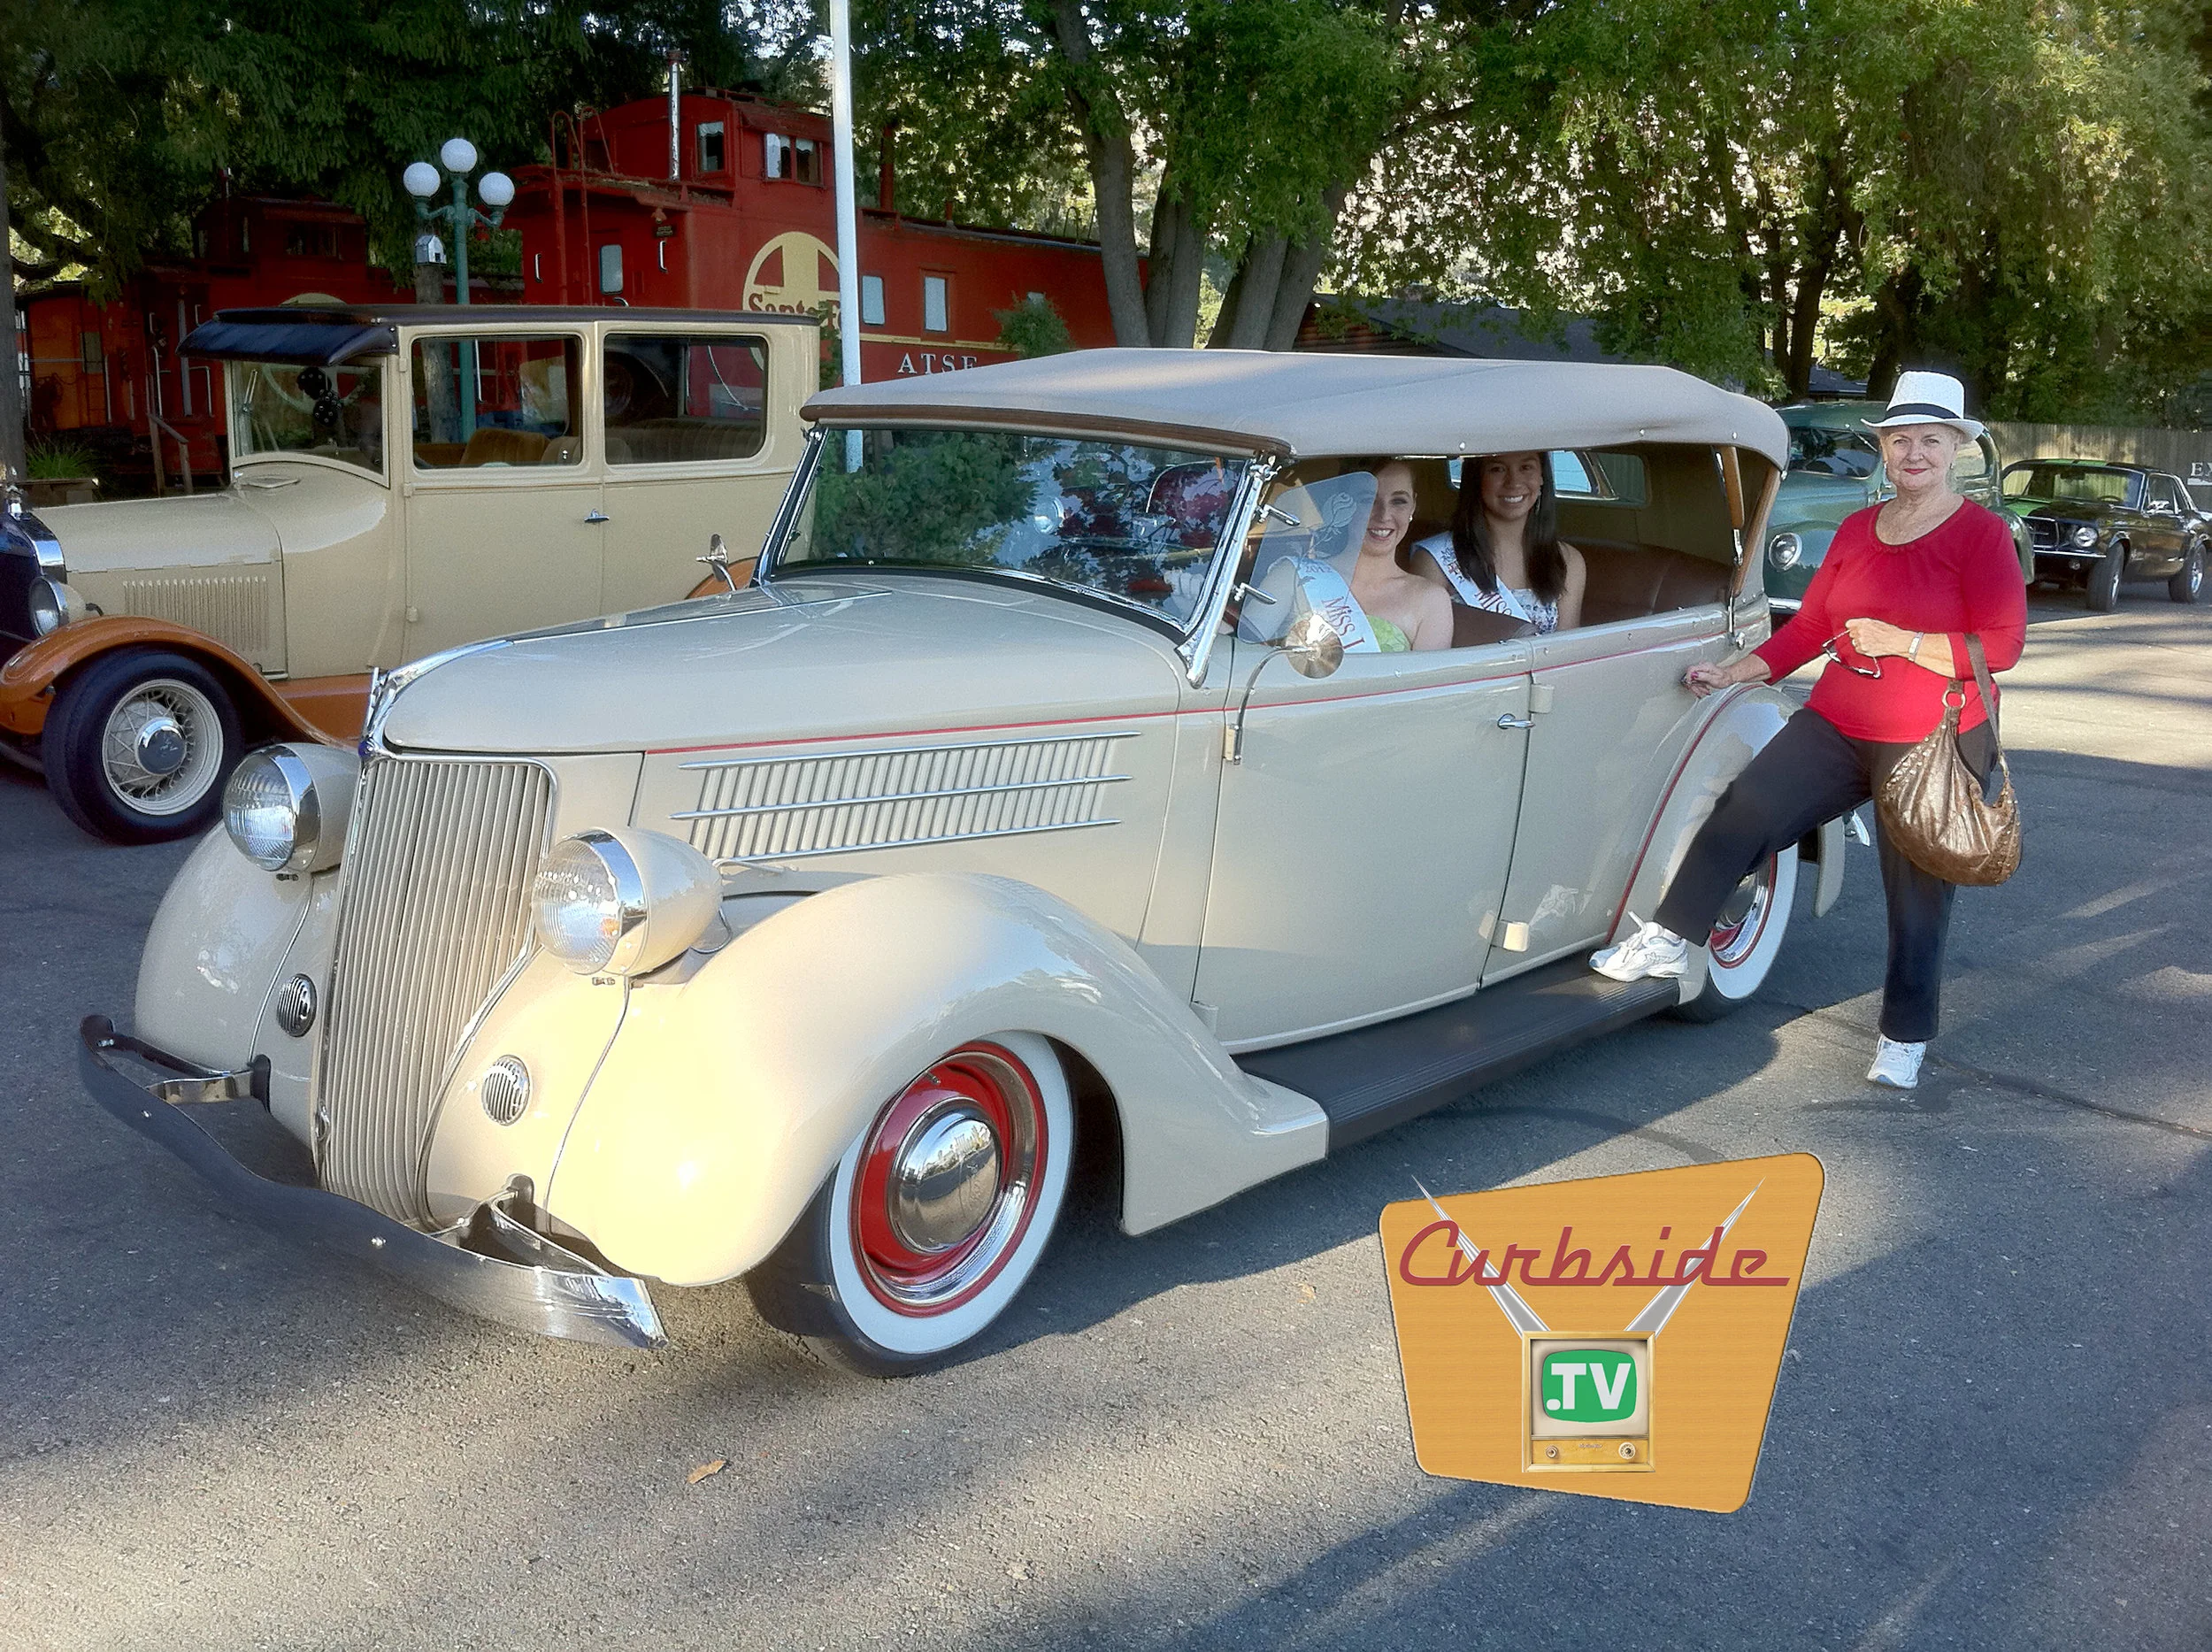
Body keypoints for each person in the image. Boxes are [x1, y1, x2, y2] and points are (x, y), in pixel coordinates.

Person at [1590, 371, 2027, 1090]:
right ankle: (1671, 937)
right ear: (1883, 449)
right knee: (1747, 808)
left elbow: (2003, 645)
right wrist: (1742, 670)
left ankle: (1904, 1036)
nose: (1913, 452)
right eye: (1899, 440)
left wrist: (1900, 640)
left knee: (1916, 896)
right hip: (1838, 720)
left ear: (1955, 448)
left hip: (1931, 735)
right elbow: (1819, 624)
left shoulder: (1980, 535)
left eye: (1929, 440)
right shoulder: (1859, 527)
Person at [1410, 450, 1586, 634]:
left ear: (1542, 477)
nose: (1514, 482)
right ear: (1477, 479)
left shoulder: (1568, 560)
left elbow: (1568, 650)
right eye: (1497, 469)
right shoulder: (1434, 561)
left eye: (1526, 468)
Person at [1347, 459, 1454, 650]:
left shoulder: (1431, 600)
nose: (1384, 515)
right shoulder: (1298, 576)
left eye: (1399, 502)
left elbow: (1428, 680)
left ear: (1412, 507)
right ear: (1344, 501)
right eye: (1368, 499)